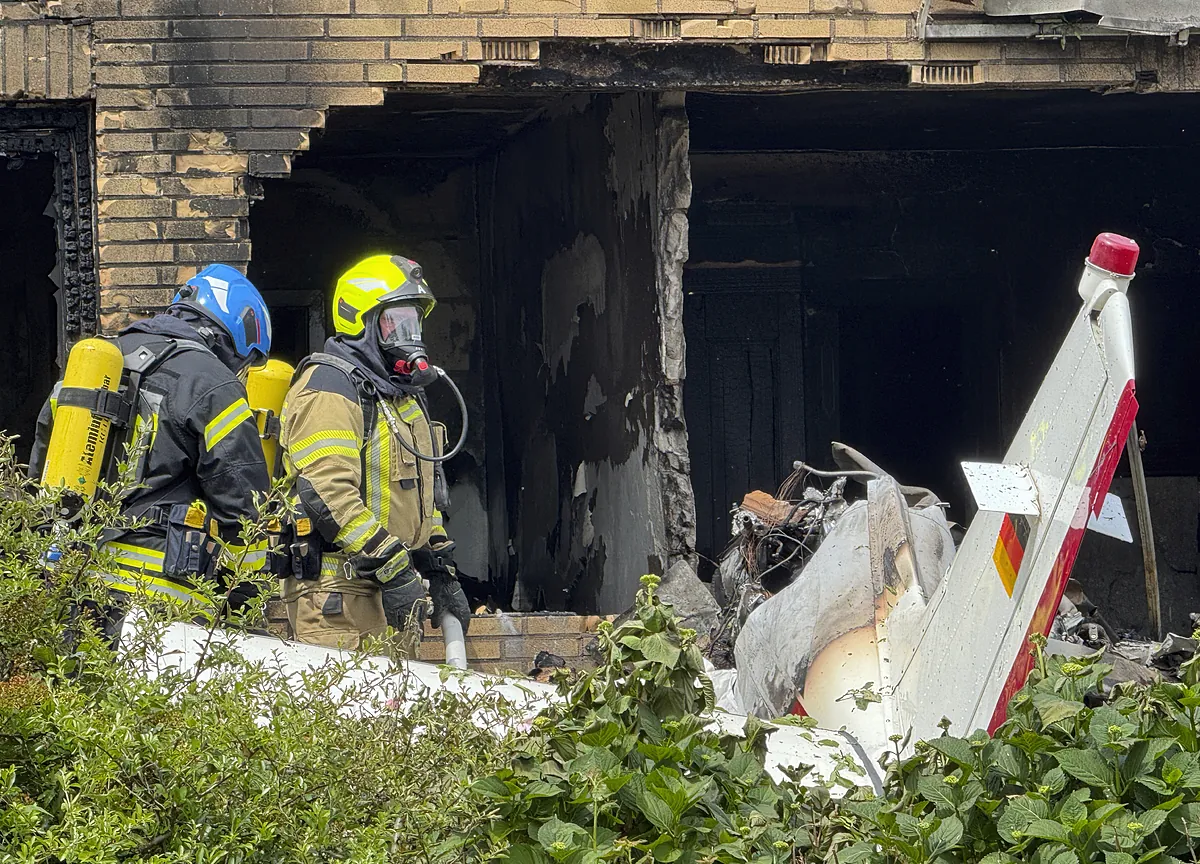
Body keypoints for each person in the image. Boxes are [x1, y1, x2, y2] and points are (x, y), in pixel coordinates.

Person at [29, 264, 273, 640]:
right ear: (235, 333)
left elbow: (42, 463)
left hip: (70, 580)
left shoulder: (97, 364)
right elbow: (244, 501)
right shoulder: (212, 382)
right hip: (159, 598)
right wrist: (247, 597)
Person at [278, 254, 470, 651]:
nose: (409, 335)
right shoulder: (329, 388)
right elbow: (328, 496)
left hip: (390, 591)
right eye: (395, 322)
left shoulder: (399, 396)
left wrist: (439, 565)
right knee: (346, 712)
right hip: (338, 597)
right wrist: (394, 567)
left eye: (414, 322)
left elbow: (420, 495)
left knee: (394, 711)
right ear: (361, 323)